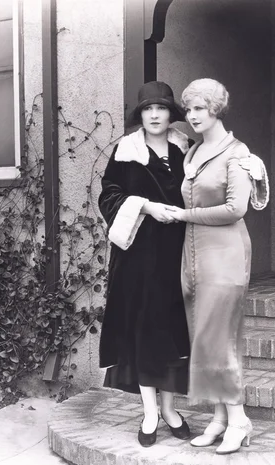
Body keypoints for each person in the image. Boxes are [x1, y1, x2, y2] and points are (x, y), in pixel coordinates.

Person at [167, 78, 267, 455]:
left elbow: (235, 209)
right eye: (188, 108)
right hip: (193, 256)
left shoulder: (237, 153)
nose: (192, 115)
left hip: (225, 254)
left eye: (200, 108)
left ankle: (239, 420)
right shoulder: (192, 152)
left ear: (216, 110)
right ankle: (220, 418)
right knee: (204, 340)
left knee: (220, 339)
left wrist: (183, 214)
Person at [98, 81, 192, 447]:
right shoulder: (125, 151)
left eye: (161, 108)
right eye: (148, 109)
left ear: (171, 114)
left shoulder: (185, 150)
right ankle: (151, 412)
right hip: (138, 254)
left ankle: (170, 409)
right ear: (140, 115)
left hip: (178, 252)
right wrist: (146, 206)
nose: (154, 115)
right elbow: (110, 196)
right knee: (144, 328)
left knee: (173, 329)